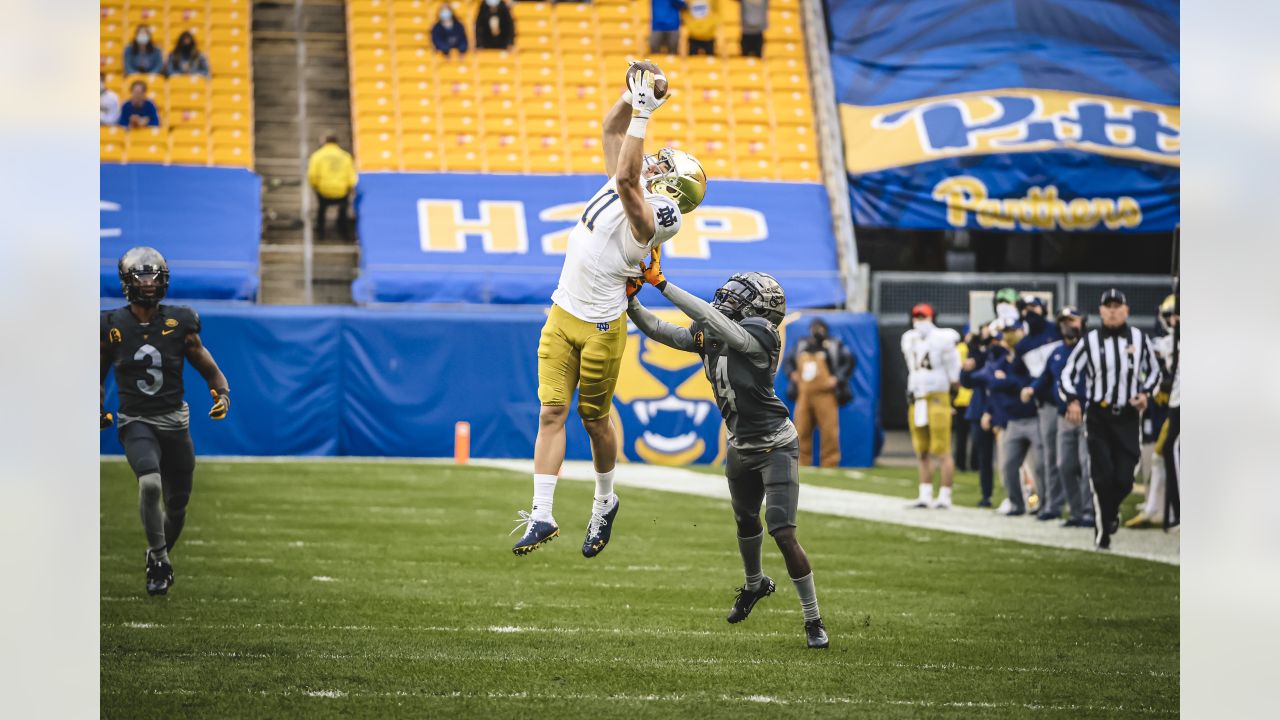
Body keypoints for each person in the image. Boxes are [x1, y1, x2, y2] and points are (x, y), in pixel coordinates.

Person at [511, 62, 706, 559]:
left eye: (664, 166)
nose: (654, 163)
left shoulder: (662, 215)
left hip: (601, 324)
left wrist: (644, 112)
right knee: (550, 411)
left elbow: (624, 180)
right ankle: (542, 514)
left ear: (675, 190)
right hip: (563, 311)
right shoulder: (638, 178)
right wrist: (632, 95)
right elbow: (610, 129)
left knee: (593, 419)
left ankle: (604, 501)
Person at [627, 260, 829, 649]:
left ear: (761, 308)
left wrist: (663, 284)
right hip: (739, 444)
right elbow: (661, 331)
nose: (728, 297)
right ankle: (755, 585)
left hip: (775, 445)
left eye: (742, 294)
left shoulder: (762, 336)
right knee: (744, 519)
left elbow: (709, 317)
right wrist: (631, 301)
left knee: (783, 533)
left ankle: (813, 619)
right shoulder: (715, 332)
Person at [101, 247, 230, 596]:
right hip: (136, 421)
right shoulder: (111, 325)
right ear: (128, 281)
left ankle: (157, 553)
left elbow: (207, 365)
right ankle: (159, 560)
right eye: (141, 277)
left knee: (177, 505)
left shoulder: (181, 321)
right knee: (150, 484)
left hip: (174, 421)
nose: (147, 283)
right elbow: (95, 373)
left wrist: (221, 392)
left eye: (153, 276)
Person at [1059, 289, 1162, 551]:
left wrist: (1145, 393)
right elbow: (1069, 373)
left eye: (1118, 306)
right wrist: (1072, 399)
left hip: (1128, 415)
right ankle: (1103, 531)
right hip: (1099, 416)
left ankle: (1110, 511)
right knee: (1102, 475)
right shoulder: (1090, 341)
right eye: (1108, 306)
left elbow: (1155, 373)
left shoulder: (1139, 338)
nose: (1113, 311)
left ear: (1126, 310)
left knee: (1125, 478)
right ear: (1101, 311)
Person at [1023, 306, 1093, 527]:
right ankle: (1074, 511)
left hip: (1087, 415)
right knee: (1064, 464)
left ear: (1082, 322)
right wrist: (1031, 389)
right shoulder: (1057, 351)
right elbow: (1045, 377)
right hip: (1063, 415)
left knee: (1087, 464)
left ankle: (1089, 511)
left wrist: (1082, 403)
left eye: (1072, 321)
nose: (1067, 326)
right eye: (1063, 321)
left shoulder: (1090, 349)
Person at [975, 319, 1040, 516]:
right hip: (1009, 417)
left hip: (1033, 415)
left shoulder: (1027, 354)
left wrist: (1008, 381)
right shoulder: (1001, 359)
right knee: (1009, 465)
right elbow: (990, 384)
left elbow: (1028, 381)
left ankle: (1038, 501)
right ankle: (1018, 501)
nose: (999, 342)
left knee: (1037, 466)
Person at [900, 303, 961, 508]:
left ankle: (945, 496)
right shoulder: (909, 339)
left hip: (937, 397)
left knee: (942, 449)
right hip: (917, 397)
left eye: (923, 316)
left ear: (932, 317)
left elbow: (954, 372)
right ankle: (925, 494)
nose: (919, 320)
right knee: (922, 450)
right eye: (916, 316)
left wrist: (951, 397)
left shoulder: (944, 338)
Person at [1014, 296, 1062, 518]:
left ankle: (1082, 507)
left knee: (1077, 460)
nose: (1030, 312)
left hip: (1072, 401)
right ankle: (1051, 503)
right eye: (1026, 308)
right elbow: (1019, 375)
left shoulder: (1058, 330)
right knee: (1048, 459)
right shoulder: (1023, 345)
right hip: (1047, 405)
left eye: (1034, 307)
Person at [784, 318, 855, 467]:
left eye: (820, 328)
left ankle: (830, 462)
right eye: (815, 328)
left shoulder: (834, 345)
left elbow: (849, 362)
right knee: (801, 430)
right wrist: (792, 374)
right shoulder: (802, 344)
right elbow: (788, 361)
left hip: (826, 394)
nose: (817, 331)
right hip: (804, 394)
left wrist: (837, 378)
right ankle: (801, 463)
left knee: (829, 431)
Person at [960, 324, 996, 506]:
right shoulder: (976, 352)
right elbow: (967, 382)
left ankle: (1025, 497)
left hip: (1001, 408)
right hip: (979, 407)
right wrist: (967, 366)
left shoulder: (1000, 352)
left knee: (1013, 459)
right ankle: (986, 495)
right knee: (983, 456)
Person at [306, 134, 357, 241]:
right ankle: (343, 230)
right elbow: (351, 177)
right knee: (343, 206)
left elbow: (312, 176)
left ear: (324, 141)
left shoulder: (317, 155)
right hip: (341, 191)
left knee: (322, 207)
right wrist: (348, 188)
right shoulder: (345, 156)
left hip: (324, 191)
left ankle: (320, 231)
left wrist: (315, 187)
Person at [952, 334, 973, 471]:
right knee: (963, 435)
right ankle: (964, 464)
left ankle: (962, 464)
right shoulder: (961, 349)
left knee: (964, 435)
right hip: (963, 398)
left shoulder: (961, 349)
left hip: (966, 398)